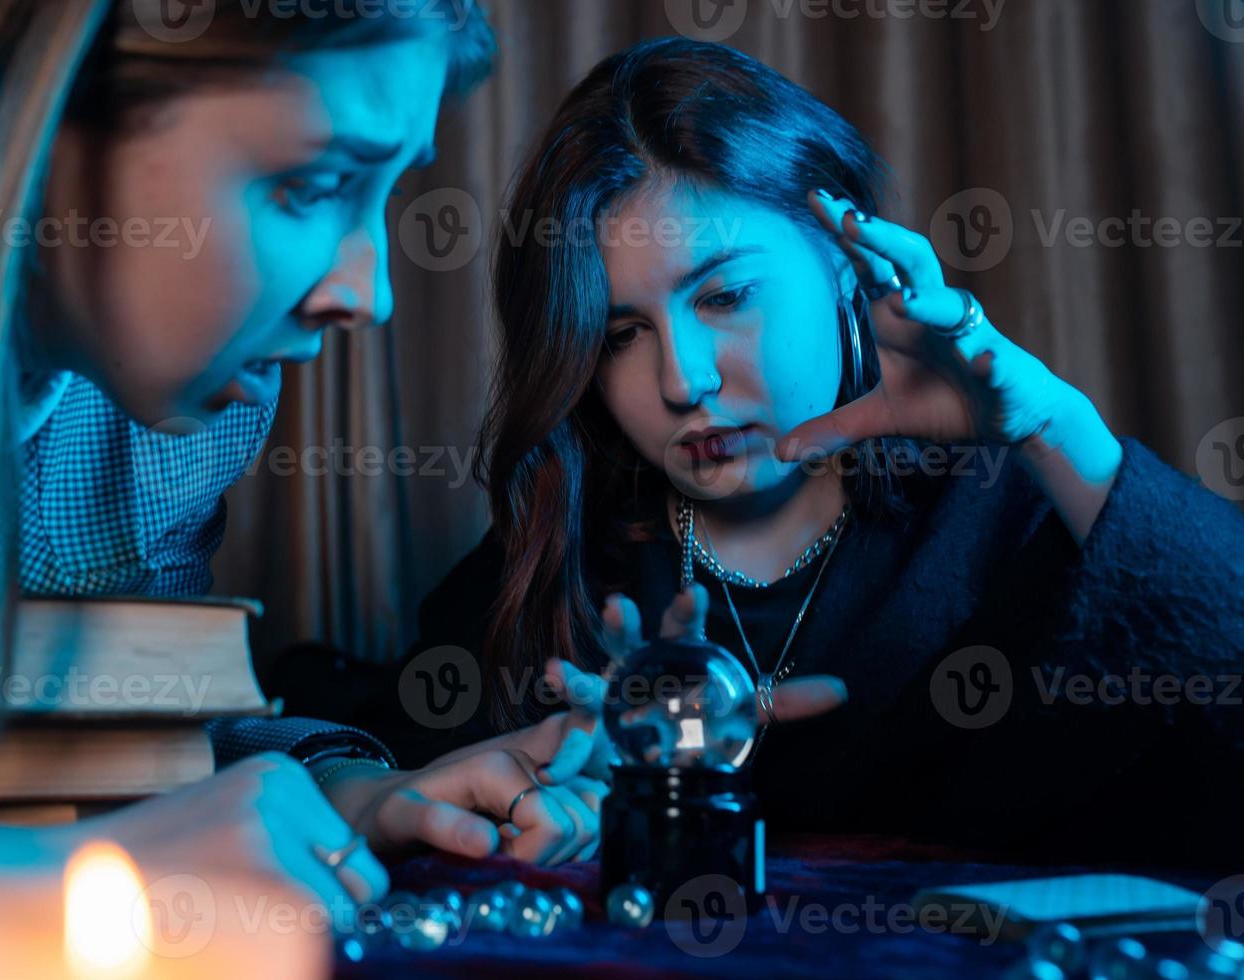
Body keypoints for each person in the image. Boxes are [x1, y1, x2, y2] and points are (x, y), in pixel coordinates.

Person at [0, 1, 602, 948]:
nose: (368, 297)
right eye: (312, 185)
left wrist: (344, 798)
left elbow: (131, 744)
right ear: (29, 123)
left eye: (385, 199)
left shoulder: (170, 426)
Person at [392, 37, 1244, 866]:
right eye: (621, 335)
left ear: (843, 261)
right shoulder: (560, 560)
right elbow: (376, 770)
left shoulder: (1017, 520)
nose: (683, 380)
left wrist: (1056, 425)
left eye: (725, 296)